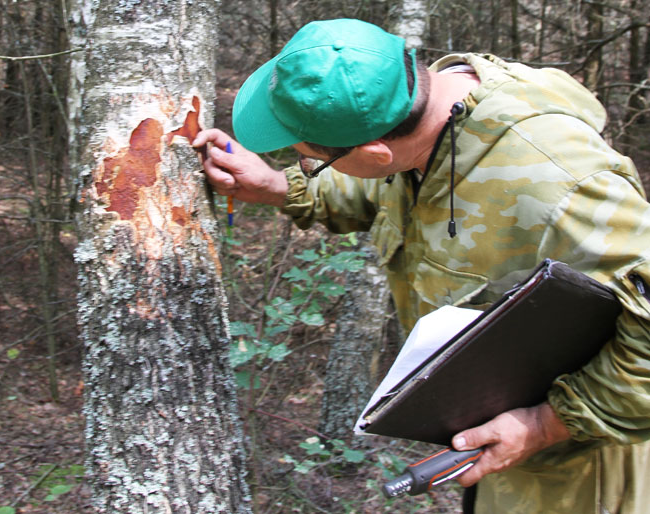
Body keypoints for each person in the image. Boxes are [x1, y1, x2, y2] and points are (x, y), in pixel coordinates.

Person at [192, 18, 650, 513]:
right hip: (503, 441)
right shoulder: (413, 105)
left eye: (312, 160)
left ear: (373, 151)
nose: (304, 165)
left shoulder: (561, 183)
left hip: (586, 462)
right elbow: (387, 184)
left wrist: (547, 424)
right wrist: (279, 186)